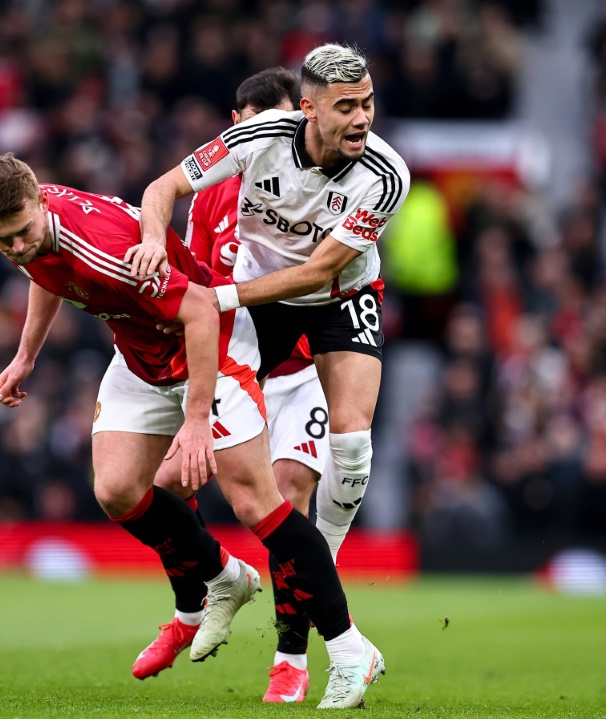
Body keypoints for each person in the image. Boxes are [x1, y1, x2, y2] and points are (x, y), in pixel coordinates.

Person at [0, 153, 384, 709]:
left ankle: (350, 649)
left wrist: (194, 423)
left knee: (256, 503)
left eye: (21, 233)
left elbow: (201, 313)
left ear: (42, 201)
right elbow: (47, 272)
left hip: (208, 347)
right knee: (116, 490)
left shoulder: (108, 250)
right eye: (3, 241)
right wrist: (25, 356)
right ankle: (223, 577)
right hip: (139, 357)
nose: (16, 248)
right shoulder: (31, 229)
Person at [128, 44, 410, 573]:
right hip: (259, 300)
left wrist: (219, 298)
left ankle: (322, 571)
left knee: (352, 448)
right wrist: (149, 241)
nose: (362, 118)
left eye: (367, 103)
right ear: (308, 109)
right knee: (167, 478)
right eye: (346, 106)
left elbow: (318, 271)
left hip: (339, 299)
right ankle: (210, 583)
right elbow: (162, 187)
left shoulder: (387, 175)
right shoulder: (257, 138)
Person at [137, 68, 330, 704]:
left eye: (267, 120)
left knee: (286, 506)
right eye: (242, 123)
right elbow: (192, 291)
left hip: (298, 371)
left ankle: (291, 660)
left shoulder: (324, 187)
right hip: (234, 363)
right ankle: (199, 597)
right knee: (160, 485)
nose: (254, 134)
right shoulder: (211, 195)